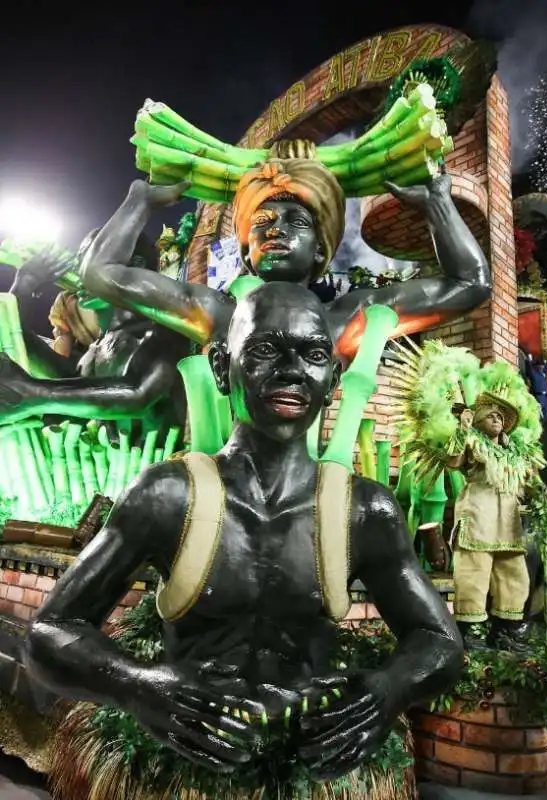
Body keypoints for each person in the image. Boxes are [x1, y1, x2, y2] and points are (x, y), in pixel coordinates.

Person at [24, 282, 463, 793]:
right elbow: (50, 631)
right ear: (220, 365)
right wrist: (136, 685)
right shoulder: (170, 497)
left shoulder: (363, 510)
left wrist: (388, 689)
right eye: (264, 350)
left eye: (314, 354)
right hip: (183, 763)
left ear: (335, 376)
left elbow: (439, 641)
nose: (292, 371)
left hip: (306, 767)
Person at [79, 150, 491, 362]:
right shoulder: (217, 312)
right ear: (245, 250)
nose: (275, 228)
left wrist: (439, 205)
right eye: (261, 220)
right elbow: (100, 273)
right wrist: (139, 202)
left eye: (297, 221)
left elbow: (471, 285)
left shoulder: (346, 317)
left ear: (320, 252)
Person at [0, 230, 194, 432]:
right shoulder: (93, 352)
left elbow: (139, 393)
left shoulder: (165, 329)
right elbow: (20, 344)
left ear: (136, 265)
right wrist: (24, 285)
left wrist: (34, 393)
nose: (81, 273)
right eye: (80, 263)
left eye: (92, 261)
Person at [447, 398, 531, 651]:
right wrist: (463, 429)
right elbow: (452, 462)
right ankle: (470, 633)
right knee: (474, 574)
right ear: (478, 421)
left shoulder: (514, 453)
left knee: (514, 575)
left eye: (501, 418)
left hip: (508, 522)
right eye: (491, 416)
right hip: (478, 516)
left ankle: (505, 631)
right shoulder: (472, 442)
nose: (498, 420)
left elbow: (528, 482)